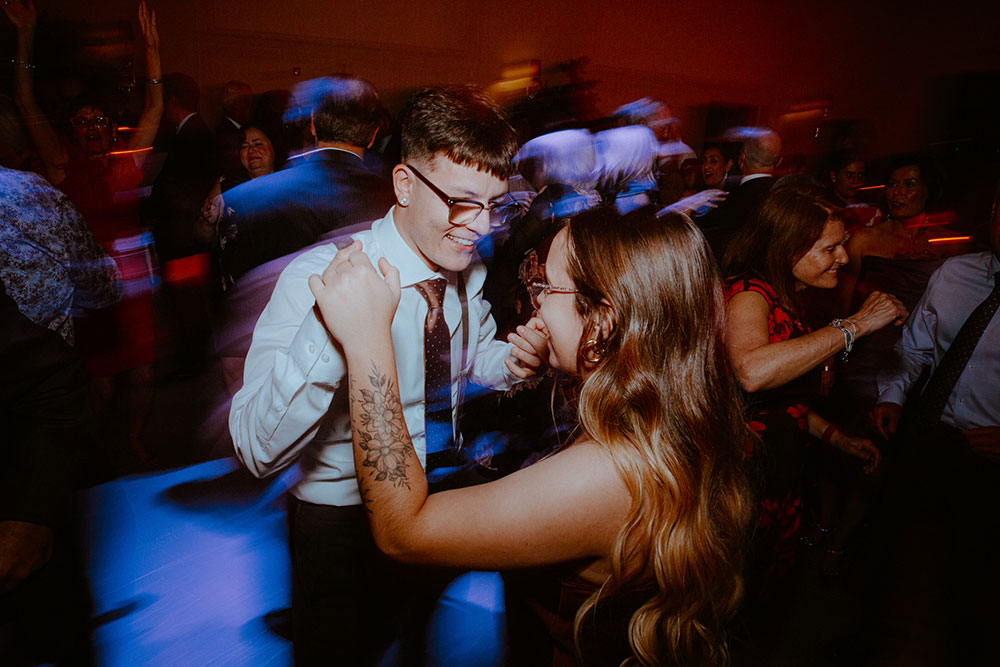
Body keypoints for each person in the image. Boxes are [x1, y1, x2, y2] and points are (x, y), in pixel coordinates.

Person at [309, 206, 755, 666]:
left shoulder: (608, 473)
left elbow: (403, 531)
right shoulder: (667, 417)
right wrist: (569, 359)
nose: (536, 301)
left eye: (547, 287)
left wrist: (366, 340)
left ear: (603, 321)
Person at [230, 85, 542, 665]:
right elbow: (254, 447)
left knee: (411, 641)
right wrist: (337, 330)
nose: (479, 227)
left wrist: (513, 362)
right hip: (340, 525)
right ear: (404, 185)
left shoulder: (465, 269)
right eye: (461, 201)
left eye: (495, 205)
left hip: (433, 502)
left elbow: (468, 359)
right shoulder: (317, 279)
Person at [721, 183, 906, 604]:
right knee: (731, 602)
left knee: (762, 596)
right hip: (742, 487)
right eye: (830, 249)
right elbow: (752, 372)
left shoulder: (788, 295)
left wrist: (835, 438)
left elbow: (776, 403)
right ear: (787, 249)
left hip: (779, 478)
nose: (843, 257)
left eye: (841, 246)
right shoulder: (750, 292)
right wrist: (855, 326)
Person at [6, 0, 162, 464]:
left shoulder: (127, 165)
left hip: (133, 285)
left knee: (144, 374)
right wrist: (25, 36)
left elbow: (154, 103)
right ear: (71, 130)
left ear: (111, 128)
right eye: (81, 121)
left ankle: (133, 442)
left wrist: (151, 48)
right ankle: (90, 451)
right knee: (101, 380)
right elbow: (26, 102)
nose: (91, 128)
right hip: (89, 286)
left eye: (99, 120)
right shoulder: (60, 166)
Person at [863, 182, 1000, 666]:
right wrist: (894, 396)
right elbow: (916, 346)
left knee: (970, 595)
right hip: (926, 440)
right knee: (898, 567)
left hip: (990, 468)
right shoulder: (956, 273)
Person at [216, 75, 394, 288]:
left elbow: (238, 282)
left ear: (313, 125)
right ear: (373, 135)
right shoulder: (394, 197)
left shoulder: (259, 194)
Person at [699, 127, 783, 260]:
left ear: (741, 158)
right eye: (704, 161)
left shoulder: (723, 203)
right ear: (779, 161)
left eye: (713, 161)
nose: (706, 167)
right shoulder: (786, 197)